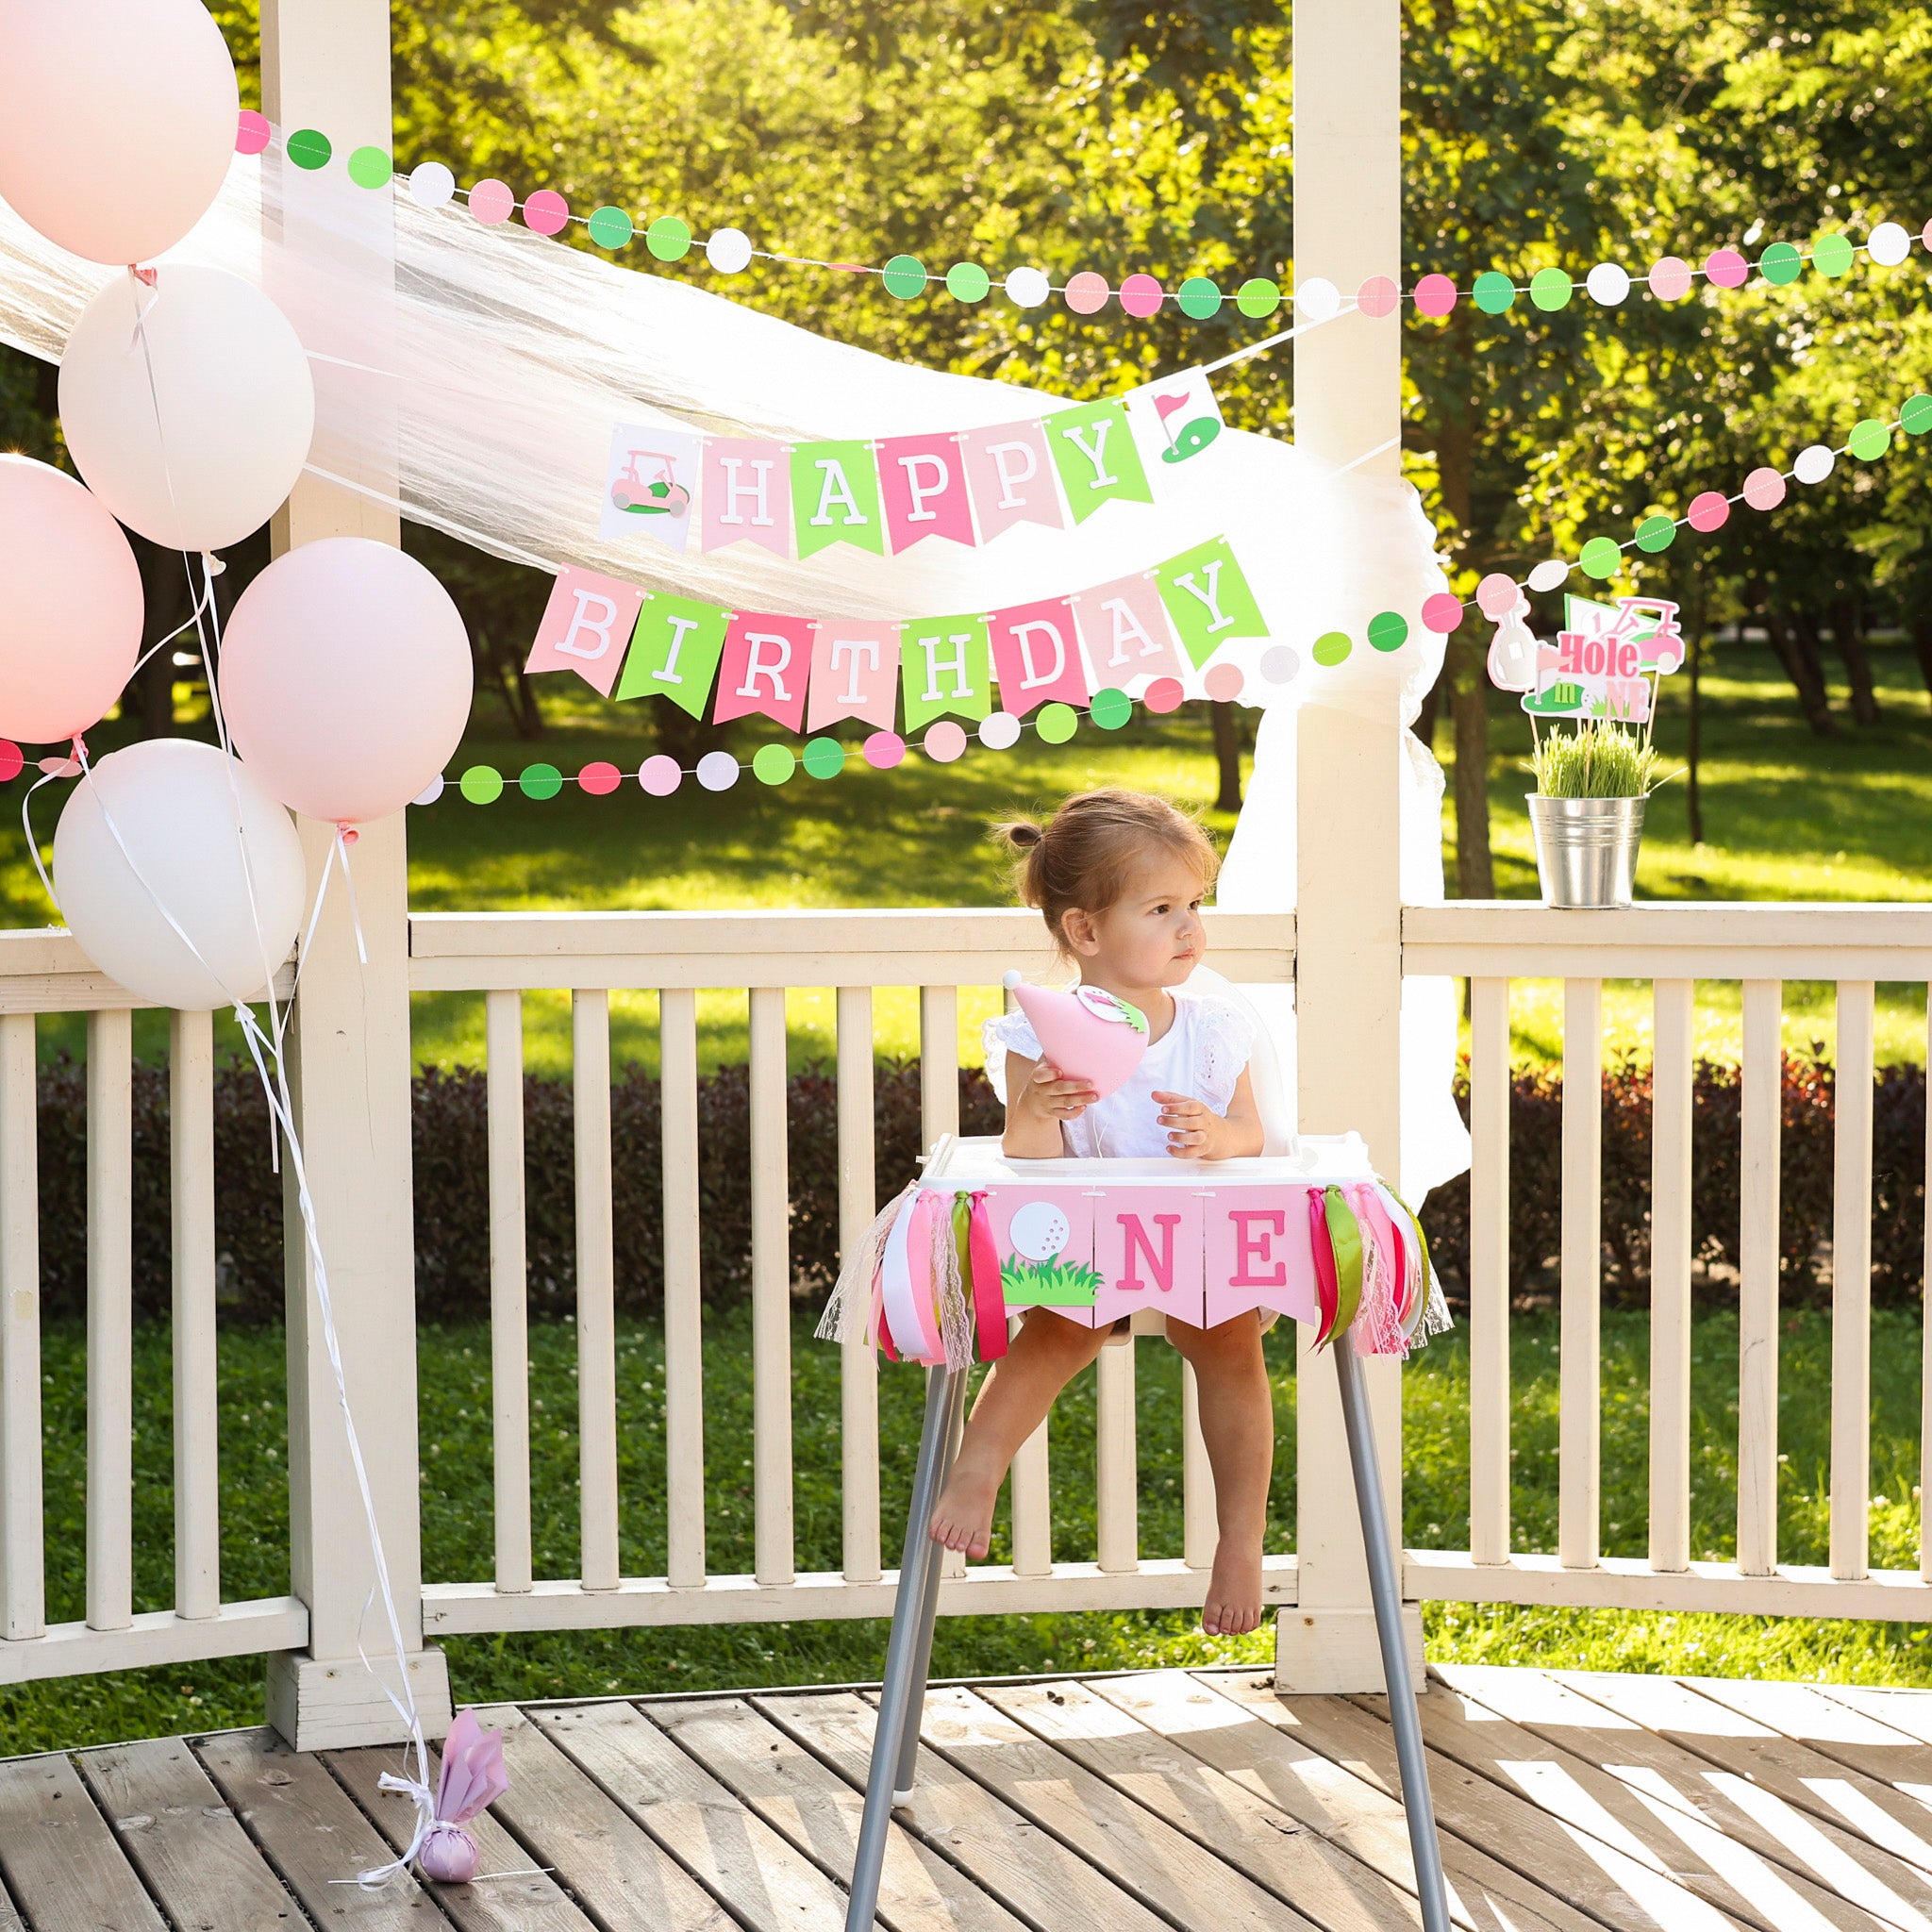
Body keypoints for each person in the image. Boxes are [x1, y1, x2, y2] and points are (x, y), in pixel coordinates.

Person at [927, 788, 1274, 1637]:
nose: (1191, 928)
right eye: (1162, 909)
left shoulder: (1213, 1028)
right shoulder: (1035, 1038)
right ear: (1086, 931)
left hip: (1192, 1236)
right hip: (1089, 1241)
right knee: (1060, 1332)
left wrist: (1215, 1136)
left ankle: (1242, 1539)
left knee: (1230, 1342)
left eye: (1195, 904)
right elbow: (1028, 1166)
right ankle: (978, 1465)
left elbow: (1253, 1133)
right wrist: (1039, 1110)